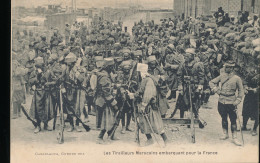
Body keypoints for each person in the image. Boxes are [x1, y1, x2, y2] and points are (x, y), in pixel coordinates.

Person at [134, 62, 169, 146]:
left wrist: (143, 105)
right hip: (146, 106)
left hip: (149, 107)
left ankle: (166, 140)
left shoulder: (148, 80)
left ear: (142, 72)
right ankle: (149, 139)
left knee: (156, 124)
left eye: (139, 72)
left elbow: (148, 94)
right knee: (144, 123)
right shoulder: (144, 79)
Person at [209, 60, 244, 146]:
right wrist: (217, 90)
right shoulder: (221, 76)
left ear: (232, 68)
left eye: (228, 67)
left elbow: (241, 91)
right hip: (221, 101)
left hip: (232, 102)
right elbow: (211, 82)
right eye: (226, 67)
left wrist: (238, 100)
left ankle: (234, 137)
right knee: (224, 118)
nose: (226, 68)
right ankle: (225, 134)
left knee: (233, 120)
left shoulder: (237, 78)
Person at [95, 58, 119, 144]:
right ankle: (100, 138)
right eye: (112, 66)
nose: (113, 68)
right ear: (108, 66)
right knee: (106, 120)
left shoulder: (107, 74)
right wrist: (114, 103)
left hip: (106, 99)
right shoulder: (104, 76)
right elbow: (106, 91)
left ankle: (111, 135)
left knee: (111, 118)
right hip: (104, 101)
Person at [241, 68, 259, 136]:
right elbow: (245, 81)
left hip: (258, 96)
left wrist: (257, 89)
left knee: (257, 112)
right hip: (249, 94)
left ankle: (254, 129)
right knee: (245, 109)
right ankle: (244, 126)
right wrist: (245, 87)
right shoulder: (252, 72)